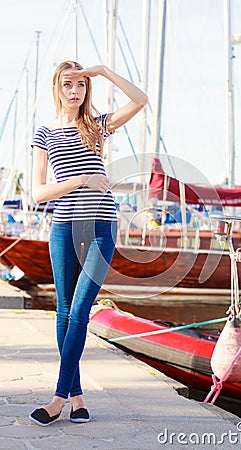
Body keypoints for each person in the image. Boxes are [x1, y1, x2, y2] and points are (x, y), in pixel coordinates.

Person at [29, 61, 148, 426]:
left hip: (100, 227)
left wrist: (104, 71)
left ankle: (58, 399)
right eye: (68, 84)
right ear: (57, 87)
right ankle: (78, 397)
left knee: (80, 310)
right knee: (64, 311)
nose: (75, 91)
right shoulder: (45, 133)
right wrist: (81, 180)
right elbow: (38, 192)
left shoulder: (97, 126)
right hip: (64, 227)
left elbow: (140, 99)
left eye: (81, 85)